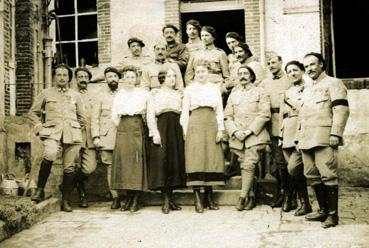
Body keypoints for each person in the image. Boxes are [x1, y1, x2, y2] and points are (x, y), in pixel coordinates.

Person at [298, 52, 349, 228]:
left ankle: (333, 216)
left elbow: (341, 110)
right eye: (306, 67)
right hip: (306, 138)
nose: (309, 69)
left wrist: (336, 133)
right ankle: (323, 211)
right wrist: (299, 138)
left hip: (323, 137)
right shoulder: (307, 87)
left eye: (312, 64)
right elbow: (302, 115)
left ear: (322, 64)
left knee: (328, 174)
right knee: (311, 175)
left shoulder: (333, 83)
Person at [29, 64, 86, 212]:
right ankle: (40, 190)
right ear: (54, 77)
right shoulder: (46, 93)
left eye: (65, 75)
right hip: (52, 131)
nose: (62, 77)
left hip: (72, 133)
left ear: (69, 78)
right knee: (50, 153)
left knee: (69, 166)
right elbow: (33, 113)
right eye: (59, 74)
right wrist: (40, 127)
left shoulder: (76, 95)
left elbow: (82, 118)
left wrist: (77, 129)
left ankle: (65, 199)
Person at [180, 61, 225, 213]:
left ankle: (209, 197)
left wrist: (221, 130)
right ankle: (197, 198)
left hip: (211, 123)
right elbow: (185, 111)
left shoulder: (214, 88)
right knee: (196, 159)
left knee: (211, 159)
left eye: (203, 71)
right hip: (195, 123)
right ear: (194, 73)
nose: (200, 74)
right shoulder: (189, 89)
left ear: (208, 72)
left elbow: (219, 110)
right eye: (198, 71)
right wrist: (185, 131)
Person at [225, 65, 271, 211]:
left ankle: (242, 197)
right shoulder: (234, 94)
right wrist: (234, 131)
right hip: (238, 137)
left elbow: (265, 114)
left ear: (252, 76)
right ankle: (251, 197)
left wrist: (249, 131)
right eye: (240, 74)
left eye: (246, 73)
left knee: (249, 164)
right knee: (244, 164)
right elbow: (227, 116)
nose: (243, 76)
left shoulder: (260, 92)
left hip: (255, 135)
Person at [147, 69, 186, 214]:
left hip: (176, 127)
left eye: (174, 76)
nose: (172, 79)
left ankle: (171, 198)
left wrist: (183, 131)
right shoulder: (155, 94)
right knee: (162, 161)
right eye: (169, 76)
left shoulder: (178, 94)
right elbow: (150, 114)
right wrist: (154, 133)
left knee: (174, 162)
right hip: (162, 127)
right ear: (162, 78)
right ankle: (165, 199)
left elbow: (182, 114)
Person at [111, 66, 150, 213]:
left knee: (136, 162)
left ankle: (136, 198)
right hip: (123, 128)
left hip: (136, 126)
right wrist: (122, 127)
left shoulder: (143, 94)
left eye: (132, 77)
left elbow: (147, 112)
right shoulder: (119, 95)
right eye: (127, 77)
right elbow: (114, 115)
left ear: (136, 79)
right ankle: (127, 197)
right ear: (123, 79)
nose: (130, 80)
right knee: (125, 162)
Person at [259, 53, 293, 208]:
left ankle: (294, 196)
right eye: (268, 63)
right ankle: (283, 194)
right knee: (279, 162)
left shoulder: (290, 79)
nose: (271, 65)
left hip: (288, 123)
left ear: (281, 62)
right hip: (272, 125)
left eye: (273, 62)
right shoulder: (264, 83)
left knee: (292, 162)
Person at [279, 61, 312, 215]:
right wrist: (280, 134)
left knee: (294, 167)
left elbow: (307, 112)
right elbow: (282, 115)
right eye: (289, 71)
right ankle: (300, 202)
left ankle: (298, 200)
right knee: (294, 171)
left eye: (295, 70)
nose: (292, 73)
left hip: (302, 131)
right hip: (287, 132)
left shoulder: (309, 89)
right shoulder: (287, 91)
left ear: (303, 71)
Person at [91, 67, 120, 209]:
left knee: (124, 166)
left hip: (122, 136)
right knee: (110, 167)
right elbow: (94, 118)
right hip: (107, 136)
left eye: (115, 76)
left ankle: (126, 195)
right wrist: (96, 136)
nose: (112, 79)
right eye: (109, 76)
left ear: (119, 79)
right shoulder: (100, 96)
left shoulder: (124, 94)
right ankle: (115, 197)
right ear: (106, 79)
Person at [74, 67, 97, 208]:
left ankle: (68, 185)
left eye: (85, 77)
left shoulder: (94, 97)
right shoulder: (70, 95)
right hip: (74, 137)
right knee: (74, 167)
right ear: (76, 79)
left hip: (90, 137)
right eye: (80, 76)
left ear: (89, 80)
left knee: (89, 168)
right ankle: (82, 195)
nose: (82, 79)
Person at [185, 26, 230, 93]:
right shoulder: (195, 54)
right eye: (202, 36)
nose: (204, 38)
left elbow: (226, 75)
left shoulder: (220, 53)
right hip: (198, 86)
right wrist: (192, 87)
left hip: (216, 85)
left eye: (207, 35)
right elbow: (189, 74)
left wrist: (223, 89)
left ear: (213, 38)